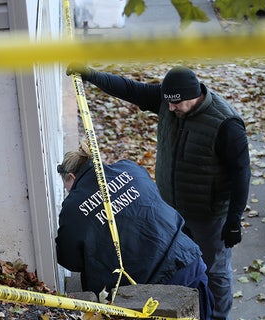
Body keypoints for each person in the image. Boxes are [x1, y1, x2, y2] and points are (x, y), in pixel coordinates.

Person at [65, 64, 251, 320]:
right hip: (171, 209)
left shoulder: (227, 125)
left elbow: (241, 173)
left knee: (215, 271)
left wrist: (233, 220)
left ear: (193, 96)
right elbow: (130, 89)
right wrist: (92, 75)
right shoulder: (169, 101)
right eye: (169, 103)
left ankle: (218, 316)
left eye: (177, 104)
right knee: (178, 264)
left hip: (207, 216)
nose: (170, 109)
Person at [55, 141, 214, 320]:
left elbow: (68, 259)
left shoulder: (73, 207)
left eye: (67, 188)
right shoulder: (129, 168)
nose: (70, 193)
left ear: (71, 177)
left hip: (142, 294)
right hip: (185, 262)